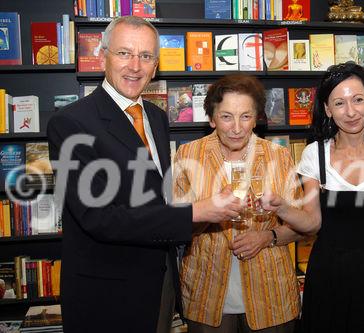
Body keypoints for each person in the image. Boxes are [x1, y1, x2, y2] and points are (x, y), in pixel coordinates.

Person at [47, 16, 243, 333]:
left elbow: (154, 194)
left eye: (146, 56)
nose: (135, 66)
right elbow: (98, 218)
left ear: (155, 67)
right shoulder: (71, 124)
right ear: (102, 57)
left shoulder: (155, 116)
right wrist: (196, 212)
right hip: (106, 293)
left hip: (160, 281)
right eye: (124, 53)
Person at [261, 62, 364, 332]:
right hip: (327, 276)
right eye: (339, 103)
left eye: (358, 99)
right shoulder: (315, 154)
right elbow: (312, 221)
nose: (350, 112)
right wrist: (284, 207)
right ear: (327, 109)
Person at [173, 74, 302, 333]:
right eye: (226, 116)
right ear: (211, 118)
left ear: (256, 118)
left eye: (245, 116)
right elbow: (172, 226)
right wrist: (207, 212)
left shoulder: (279, 156)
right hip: (206, 297)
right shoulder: (188, 155)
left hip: (271, 297)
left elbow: (303, 223)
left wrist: (268, 237)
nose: (236, 127)